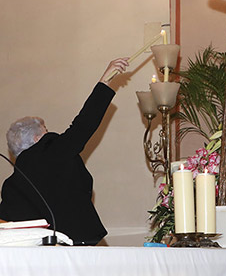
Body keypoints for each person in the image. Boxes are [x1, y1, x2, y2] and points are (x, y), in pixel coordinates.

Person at [0, 57, 129, 244]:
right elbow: (83, 124)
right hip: (79, 246)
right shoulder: (52, 151)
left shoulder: (11, 186)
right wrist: (106, 80)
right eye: (45, 130)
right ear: (38, 139)